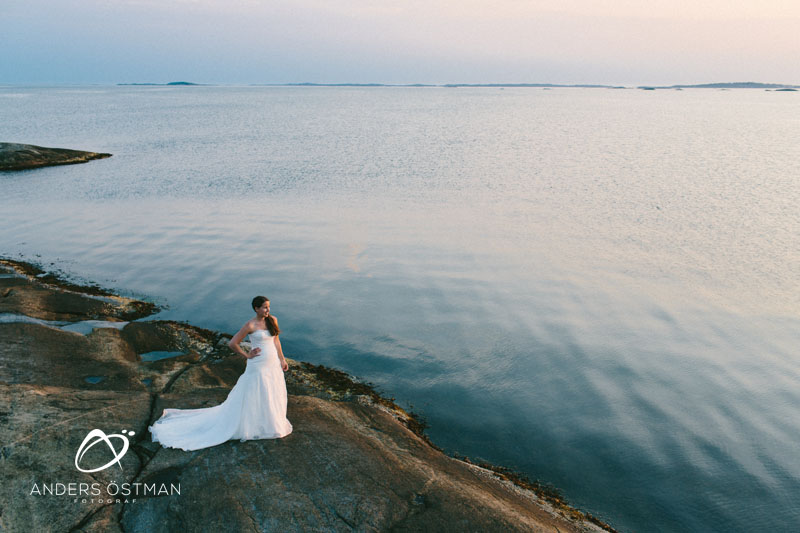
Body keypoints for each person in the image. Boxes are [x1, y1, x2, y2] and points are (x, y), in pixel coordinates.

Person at [149, 296, 293, 451]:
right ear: (256, 308)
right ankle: (251, 424)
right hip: (257, 364)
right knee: (254, 391)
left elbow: (276, 341)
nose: (267, 310)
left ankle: (270, 421)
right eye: (264, 307)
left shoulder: (273, 320)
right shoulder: (250, 325)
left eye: (268, 307)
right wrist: (247, 355)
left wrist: (282, 360)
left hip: (272, 363)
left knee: (271, 391)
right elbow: (233, 343)